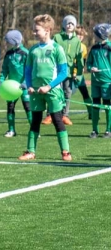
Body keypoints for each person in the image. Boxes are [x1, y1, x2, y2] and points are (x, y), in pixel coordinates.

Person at [19, 14, 73, 162]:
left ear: (48, 30)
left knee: (57, 119)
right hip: (36, 92)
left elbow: (64, 73)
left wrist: (49, 86)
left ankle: (66, 151)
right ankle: (30, 151)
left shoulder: (57, 49)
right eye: (34, 30)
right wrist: (29, 86)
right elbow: (28, 71)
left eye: (37, 30)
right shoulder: (33, 50)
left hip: (53, 91)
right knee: (35, 120)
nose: (34, 33)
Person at [57, 15, 88, 124]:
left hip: (71, 73)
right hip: (58, 72)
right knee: (55, 92)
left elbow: (80, 60)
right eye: (67, 23)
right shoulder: (57, 38)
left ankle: (66, 115)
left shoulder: (79, 43)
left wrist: (78, 73)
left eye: (72, 23)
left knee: (71, 92)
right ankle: (51, 114)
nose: (69, 25)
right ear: (64, 25)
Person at [1, 30, 29, 138]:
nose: (7, 43)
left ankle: (34, 130)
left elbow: (29, 71)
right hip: (11, 88)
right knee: (10, 107)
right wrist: (1, 82)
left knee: (28, 107)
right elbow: (4, 70)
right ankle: (11, 130)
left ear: (15, 41)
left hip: (23, 86)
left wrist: (26, 83)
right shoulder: (8, 54)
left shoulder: (25, 53)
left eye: (9, 41)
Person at [87, 24, 111, 138]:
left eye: (95, 34)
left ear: (101, 35)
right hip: (95, 82)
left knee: (107, 105)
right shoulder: (94, 48)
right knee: (95, 105)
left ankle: (108, 130)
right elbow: (89, 63)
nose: (93, 36)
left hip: (107, 82)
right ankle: (94, 130)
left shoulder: (109, 47)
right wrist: (90, 68)